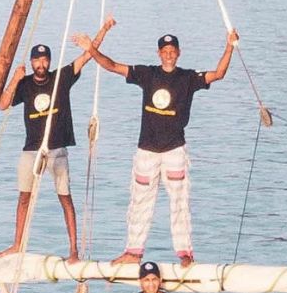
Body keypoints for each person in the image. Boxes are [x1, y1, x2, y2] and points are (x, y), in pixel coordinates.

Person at [83, 26, 238, 268]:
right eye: (164, 50)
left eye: (172, 50)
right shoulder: (147, 74)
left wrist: (229, 45)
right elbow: (112, 66)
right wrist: (91, 49)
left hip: (175, 149)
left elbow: (218, 74)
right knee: (140, 202)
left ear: (179, 53)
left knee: (179, 201)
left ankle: (185, 253)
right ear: (159, 53)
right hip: (147, 149)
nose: (168, 54)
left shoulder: (188, 78)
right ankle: (133, 252)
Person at [0, 18, 108, 260]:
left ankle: (73, 250)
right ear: (32, 63)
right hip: (32, 149)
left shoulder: (61, 77)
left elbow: (87, 57)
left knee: (65, 198)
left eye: (44, 59)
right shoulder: (25, 85)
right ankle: (17, 244)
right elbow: (2, 105)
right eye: (36, 60)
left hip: (57, 149)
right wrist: (15, 78)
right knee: (23, 196)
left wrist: (104, 29)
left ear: (49, 61)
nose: (40, 63)